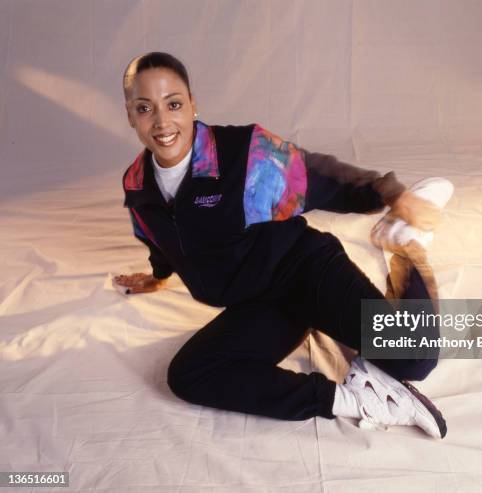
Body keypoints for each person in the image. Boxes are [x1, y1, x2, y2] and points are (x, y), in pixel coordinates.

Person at [114, 52, 451, 439]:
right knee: (189, 375)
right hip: (258, 303)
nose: (161, 121)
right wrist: (158, 277)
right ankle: (349, 399)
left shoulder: (240, 154)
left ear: (192, 104)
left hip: (305, 270)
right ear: (130, 115)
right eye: (145, 108)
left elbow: (318, 175)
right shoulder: (137, 185)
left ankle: (404, 244)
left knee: (415, 357)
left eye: (173, 104)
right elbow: (159, 238)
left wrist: (389, 193)